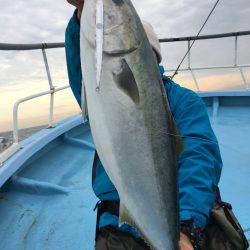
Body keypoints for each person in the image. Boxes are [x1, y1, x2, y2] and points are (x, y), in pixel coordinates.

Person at [65, 1, 223, 249]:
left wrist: (185, 228)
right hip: (117, 220)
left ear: (150, 54)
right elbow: (81, 66)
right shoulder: (98, 87)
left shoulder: (185, 101)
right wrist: (81, 14)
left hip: (178, 218)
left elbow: (199, 158)